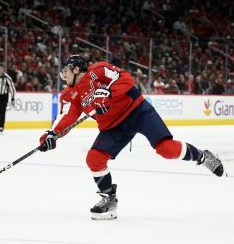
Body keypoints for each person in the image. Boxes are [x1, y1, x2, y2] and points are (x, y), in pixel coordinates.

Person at [38, 55, 225, 220]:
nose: (64, 75)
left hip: (137, 110)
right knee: (94, 158)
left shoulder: (98, 70)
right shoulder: (70, 94)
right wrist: (52, 135)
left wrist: (109, 93)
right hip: (113, 127)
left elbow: (126, 78)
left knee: (166, 149)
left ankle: (203, 156)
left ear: (76, 69)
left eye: (66, 71)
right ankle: (108, 198)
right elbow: (66, 117)